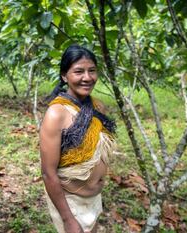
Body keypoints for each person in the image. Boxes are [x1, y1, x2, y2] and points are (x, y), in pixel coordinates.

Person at [39, 45, 117, 233]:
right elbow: (48, 173)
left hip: (94, 199)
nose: (87, 77)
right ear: (65, 76)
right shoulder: (56, 113)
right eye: (79, 71)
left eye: (92, 71)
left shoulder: (98, 106)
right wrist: (68, 219)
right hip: (70, 202)